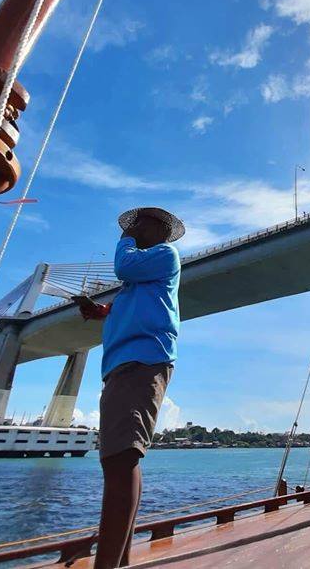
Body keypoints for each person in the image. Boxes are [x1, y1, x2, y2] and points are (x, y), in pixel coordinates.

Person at [75, 207, 184, 569]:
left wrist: (124, 240)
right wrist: (101, 311)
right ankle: (117, 562)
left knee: (121, 458)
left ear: (158, 229)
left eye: (138, 224)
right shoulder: (142, 277)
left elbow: (123, 267)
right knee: (120, 459)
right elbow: (131, 298)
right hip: (126, 363)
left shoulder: (164, 255)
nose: (132, 229)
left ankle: (107, 564)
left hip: (141, 360)